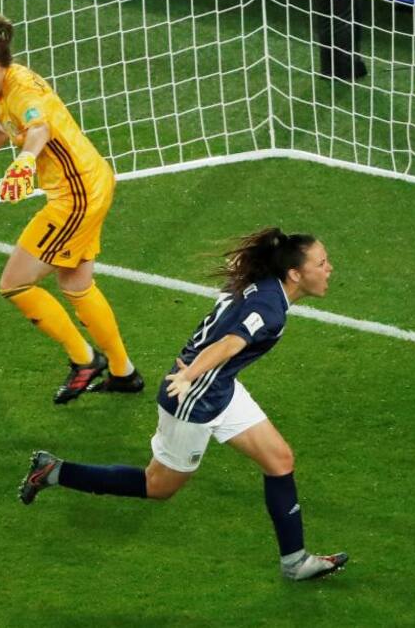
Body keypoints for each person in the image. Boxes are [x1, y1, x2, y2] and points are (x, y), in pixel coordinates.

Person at [18, 228, 348, 581]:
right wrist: (190, 376)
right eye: (322, 263)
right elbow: (230, 345)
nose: (329, 269)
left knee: (280, 460)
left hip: (219, 387)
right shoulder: (270, 309)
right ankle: (53, 471)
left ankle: (295, 562)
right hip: (195, 396)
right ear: (295, 274)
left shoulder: (267, 284)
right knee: (158, 486)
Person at [0, 14, 142, 404]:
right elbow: (5, 127)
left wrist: (25, 161)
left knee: (15, 283)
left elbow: (38, 128)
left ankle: (85, 360)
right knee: (76, 284)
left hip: (75, 196)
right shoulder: (11, 82)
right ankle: (123, 372)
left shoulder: (23, 94)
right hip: (92, 179)